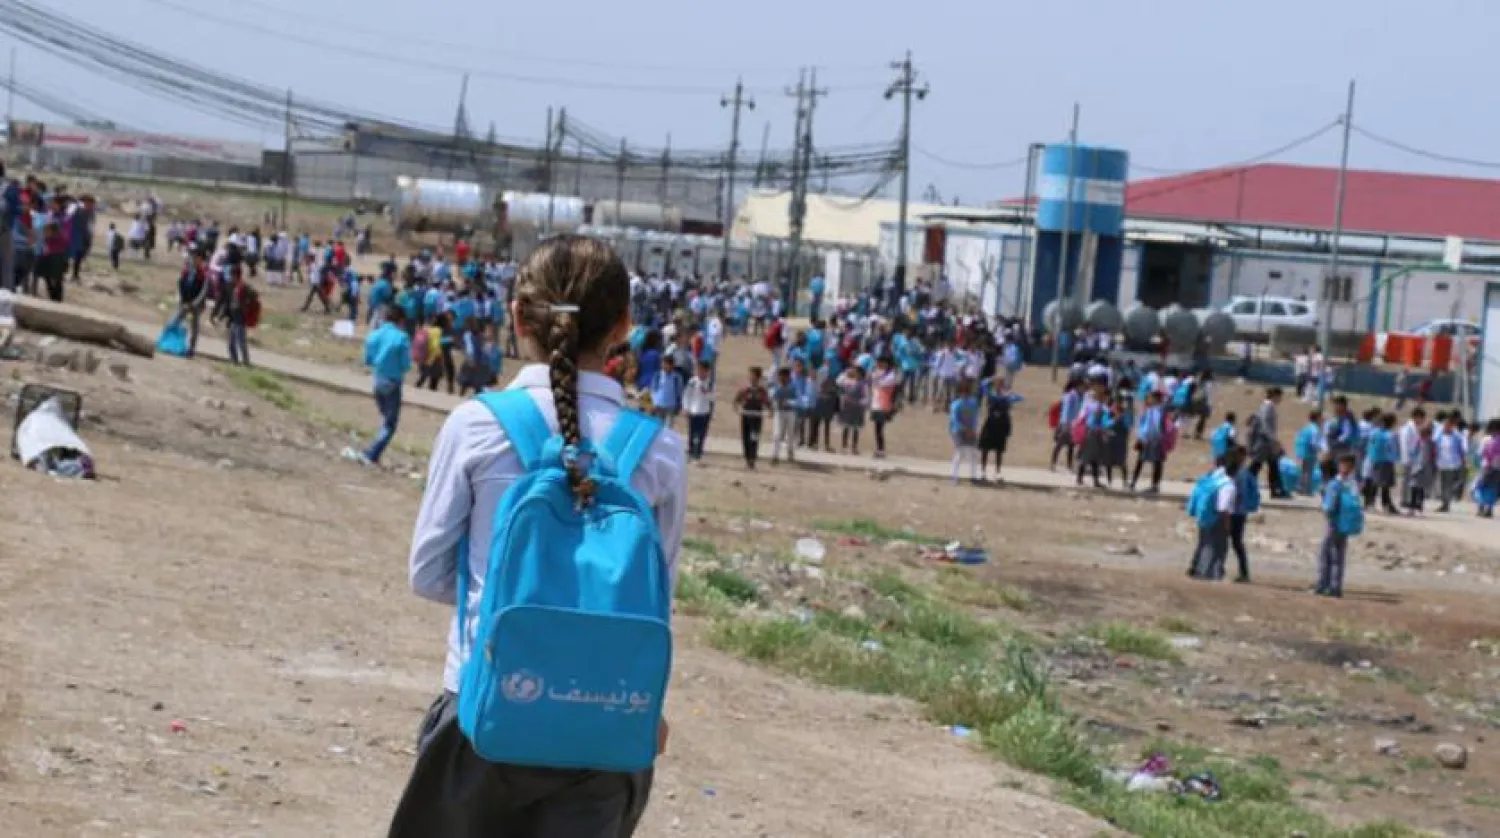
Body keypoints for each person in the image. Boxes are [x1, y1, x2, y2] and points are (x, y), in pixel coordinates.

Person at [391, 236, 682, 838]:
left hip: (483, 716)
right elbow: (658, 599)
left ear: (518, 316)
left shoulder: (476, 426)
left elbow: (427, 575)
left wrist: (513, 603)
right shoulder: (659, 450)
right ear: (624, 326)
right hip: (606, 724)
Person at [349, 307, 411, 466]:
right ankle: (372, 454)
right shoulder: (402, 338)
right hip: (393, 382)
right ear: (401, 320)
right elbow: (406, 364)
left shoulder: (374, 335)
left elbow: (367, 359)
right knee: (390, 424)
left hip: (377, 379)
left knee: (385, 418)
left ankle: (373, 452)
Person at [1317, 452, 1364, 598]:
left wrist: (1326, 511)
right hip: (1345, 524)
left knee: (1326, 554)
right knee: (1339, 555)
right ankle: (1336, 587)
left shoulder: (1336, 483)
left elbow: (1329, 506)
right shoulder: (1354, 484)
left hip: (1334, 523)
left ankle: (1323, 585)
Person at [733, 366, 769, 469]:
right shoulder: (745, 389)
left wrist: (770, 410)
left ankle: (752, 459)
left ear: (758, 377)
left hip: (756, 418)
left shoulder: (761, 390)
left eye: (753, 375)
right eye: (750, 375)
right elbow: (737, 400)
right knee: (745, 438)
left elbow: (767, 402)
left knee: (754, 438)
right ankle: (747, 458)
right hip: (746, 416)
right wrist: (736, 408)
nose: (751, 377)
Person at [948, 378, 980, 485]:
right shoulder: (955, 405)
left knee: (973, 454)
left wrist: (974, 429)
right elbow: (955, 421)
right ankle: (954, 476)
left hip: (971, 431)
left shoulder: (973, 403)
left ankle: (973, 476)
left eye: (967, 392)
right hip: (958, 431)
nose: (965, 394)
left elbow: (975, 417)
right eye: (963, 392)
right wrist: (965, 429)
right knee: (959, 454)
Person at [683, 361, 715, 461]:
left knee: (701, 434)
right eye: (699, 370)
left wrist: (706, 393)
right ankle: (691, 452)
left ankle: (698, 454)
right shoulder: (693, 381)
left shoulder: (709, 383)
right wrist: (686, 408)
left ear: (707, 371)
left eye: (703, 370)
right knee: (692, 432)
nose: (701, 372)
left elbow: (713, 398)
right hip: (693, 411)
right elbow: (687, 395)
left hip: (704, 411)